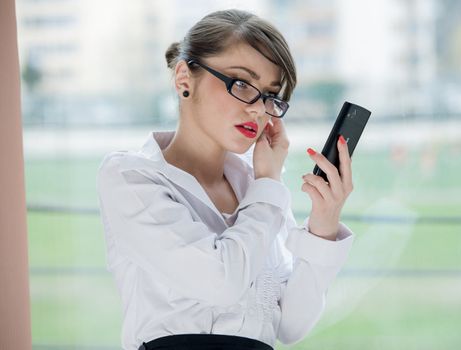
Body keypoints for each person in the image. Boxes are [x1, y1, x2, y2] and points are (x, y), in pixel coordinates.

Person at [97, 9, 355, 350]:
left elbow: (291, 325)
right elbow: (221, 282)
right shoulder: (132, 178)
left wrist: (323, 223)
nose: (258, 109)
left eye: (270, 95)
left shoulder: (259, 186)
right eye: (242, 84)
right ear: (184, 79)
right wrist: (267, 185)